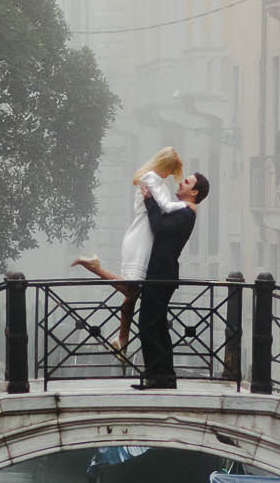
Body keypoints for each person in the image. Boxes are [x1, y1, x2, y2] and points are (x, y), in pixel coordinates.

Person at [72, 147, 187, 356]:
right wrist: (187, 205)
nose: (170, 174)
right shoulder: (151, 177)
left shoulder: (158, 181)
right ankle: (94, 266)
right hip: (142, 237)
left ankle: (122, 339)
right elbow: (165, 206)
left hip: (146, 237)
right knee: (131, 289)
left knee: (133, 293)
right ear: (164, 165)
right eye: (170, 170)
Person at [132, 171, 209, 389]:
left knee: (149, 324)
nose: (181, 183)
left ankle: (158, 376)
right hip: (161, 273)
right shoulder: (182, 211)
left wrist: (149, 201)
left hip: (161, 274)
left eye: (186, 182)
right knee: (156, 324)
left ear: (194, 192)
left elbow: (159, 228)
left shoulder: (186, 213)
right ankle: (162, 376)